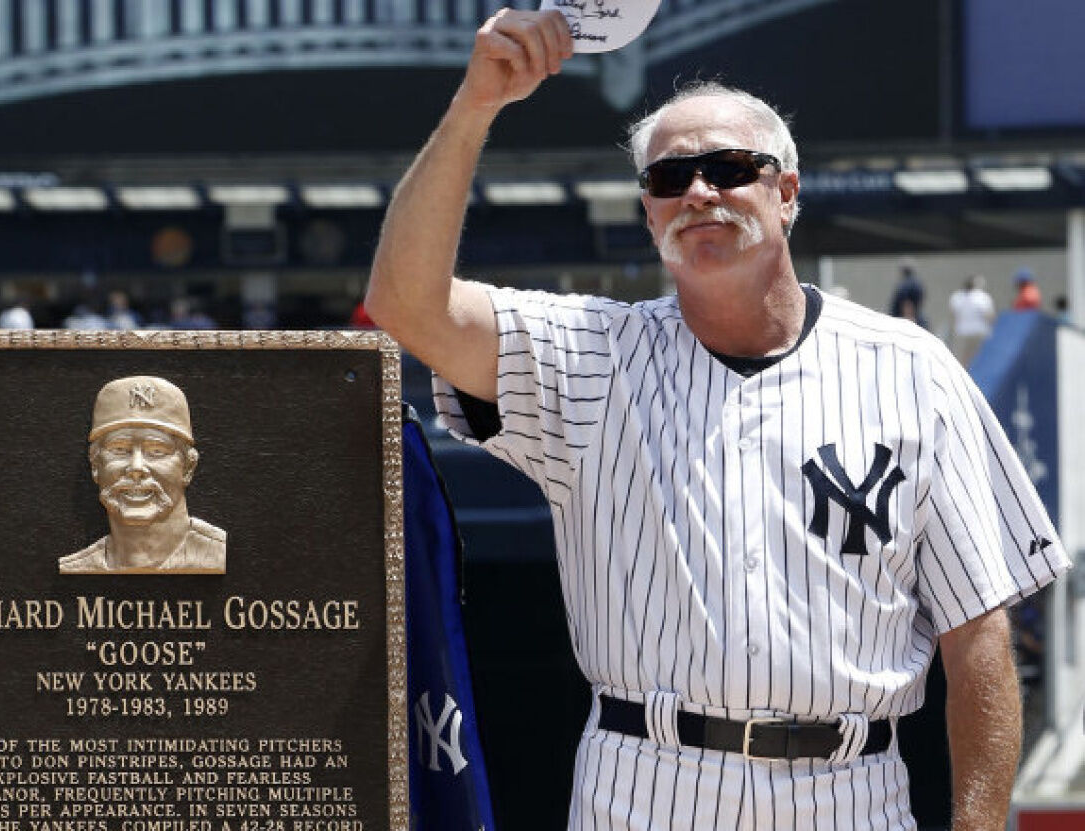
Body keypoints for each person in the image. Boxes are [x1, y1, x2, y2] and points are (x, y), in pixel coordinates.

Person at [365, 9, 1069, 831]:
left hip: (849, 786)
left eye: (729, 167)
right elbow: (403, 304)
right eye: (670, 179)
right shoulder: (592, 354)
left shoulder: (911, 369)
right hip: (646, 779)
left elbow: (977, 632)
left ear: (786, 192)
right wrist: (475, 106)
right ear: (649, 213)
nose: (699, 191)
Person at [59, 376, 226, 574]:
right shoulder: (77, 569)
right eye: (119, 449)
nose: (136, 467)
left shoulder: (219, 553)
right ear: (95, 465)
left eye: (156, 451)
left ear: (188, 468)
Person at [948, 274, 995, 366]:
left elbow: (953, 315)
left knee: (962, 362)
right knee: (981, 360)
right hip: (979, 332)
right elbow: (989, 316)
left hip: (962, 332)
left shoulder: (957, 297)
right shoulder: (982, 297)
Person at [889, 258, 927, 327]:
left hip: (905, 320)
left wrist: (908, 318)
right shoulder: (916, 283)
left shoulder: (906, 284)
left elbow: (907, 303)